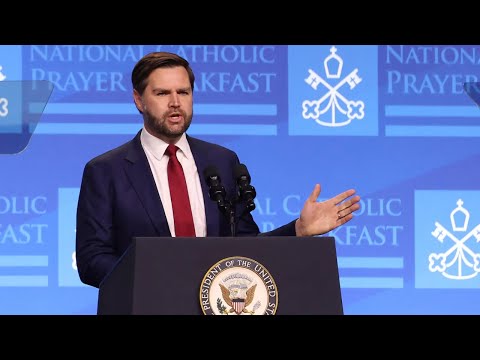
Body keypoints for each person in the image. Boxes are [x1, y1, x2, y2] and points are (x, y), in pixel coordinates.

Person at [75, 51, 361, 288]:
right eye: (162, 93)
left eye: (183, 92)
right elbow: (91, 260)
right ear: (138, 100)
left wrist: (298, 230)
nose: (175, 103)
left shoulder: (222, 162)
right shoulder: (106, 171)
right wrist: (154, 278)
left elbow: (244, 247)